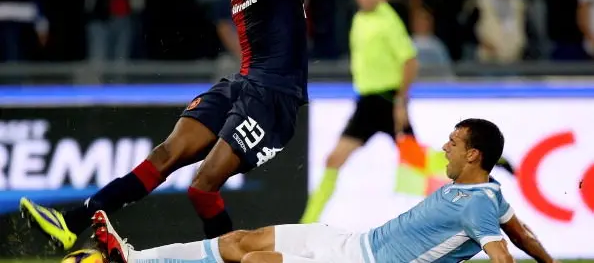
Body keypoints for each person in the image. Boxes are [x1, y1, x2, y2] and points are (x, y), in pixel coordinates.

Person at [20, 0, 308, 250]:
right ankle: (71, 222)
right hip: (243, 83)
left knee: (202, 189)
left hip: (274, 95)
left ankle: (230, 258)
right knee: (166, 153)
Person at [92, 118, 559, 263]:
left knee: (256, 262)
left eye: (454, 144)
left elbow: (503, 256)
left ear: (474, 155)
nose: (444, 147)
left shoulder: (477, 208)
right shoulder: (493, 195)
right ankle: (133, 259)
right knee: (241, 242)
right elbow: (520, 235)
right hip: (350, 243)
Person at [300, 0, 419, 224]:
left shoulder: (388, 21)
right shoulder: (359, 18)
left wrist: (400, 102)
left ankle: (488, 161)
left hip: (387, 101)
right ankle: (306, 224)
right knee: (334, 159)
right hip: (367, 103)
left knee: (416, 168)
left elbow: (409, 61)